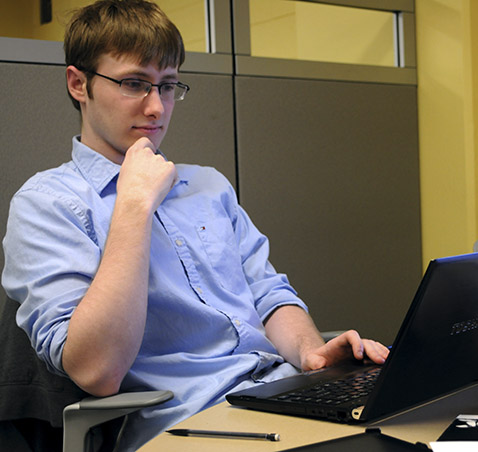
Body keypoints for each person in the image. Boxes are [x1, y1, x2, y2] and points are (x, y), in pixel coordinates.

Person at [1, 0, 389, 449]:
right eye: (134, 84)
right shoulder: (48, 204)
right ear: (78, 83)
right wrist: (133, 205)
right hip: (194, 420)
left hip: (283, 392)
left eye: (167, 87)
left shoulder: (207, 185)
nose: (155, 108)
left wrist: (309, 353)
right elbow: (97, 371)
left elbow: (268, 294)